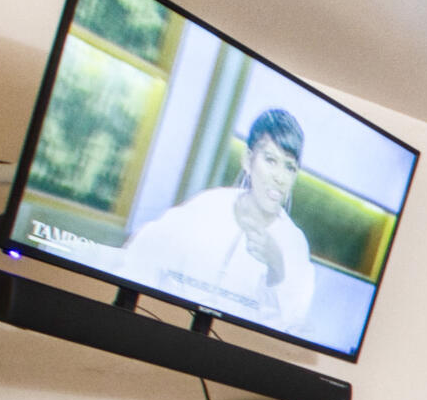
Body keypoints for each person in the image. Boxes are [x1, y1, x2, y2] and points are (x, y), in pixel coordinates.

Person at [122, 107, 317, 328]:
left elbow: (291, 326)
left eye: (289, 167)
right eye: (271, 160)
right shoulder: (209, 205)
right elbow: (141, 256)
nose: (280, 177)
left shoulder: (294, 243)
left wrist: (277, 268)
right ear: (248, 160)